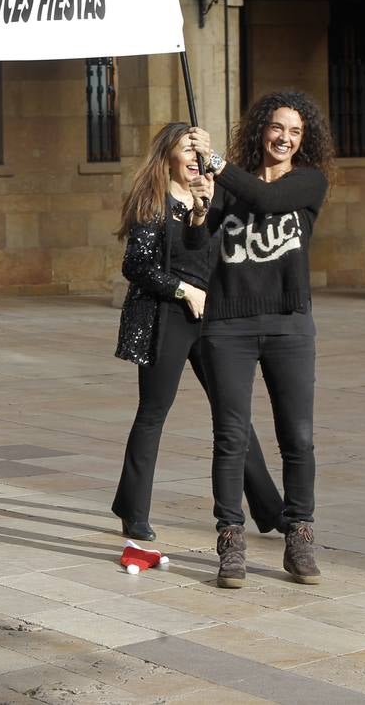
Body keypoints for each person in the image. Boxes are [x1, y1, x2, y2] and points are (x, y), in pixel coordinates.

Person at [111, 123, 284, 542]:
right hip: (165, 316)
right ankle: (133, 511)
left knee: (233, 412)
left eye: (198, 149)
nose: (194, 157)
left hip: (214, 317)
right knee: (153, 411)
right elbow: (136, 266)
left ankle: (270, 508)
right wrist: (184, 290)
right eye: (185, 149)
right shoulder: (153, 202)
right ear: (168, 156)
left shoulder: (214, 196)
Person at [189, 93, 334, 589]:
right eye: (277, 128)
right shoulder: (227, 185)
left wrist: (216, 163)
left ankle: (300, 535)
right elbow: (195, 246)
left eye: (294, 131)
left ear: (304, 140)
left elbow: (267, 201)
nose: (284, 138)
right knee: (230, 437)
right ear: (261, 130)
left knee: (298, 437)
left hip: (289, 325)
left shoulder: (308, 182)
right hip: (227, 326)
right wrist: (199, 209)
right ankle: (230, 539)